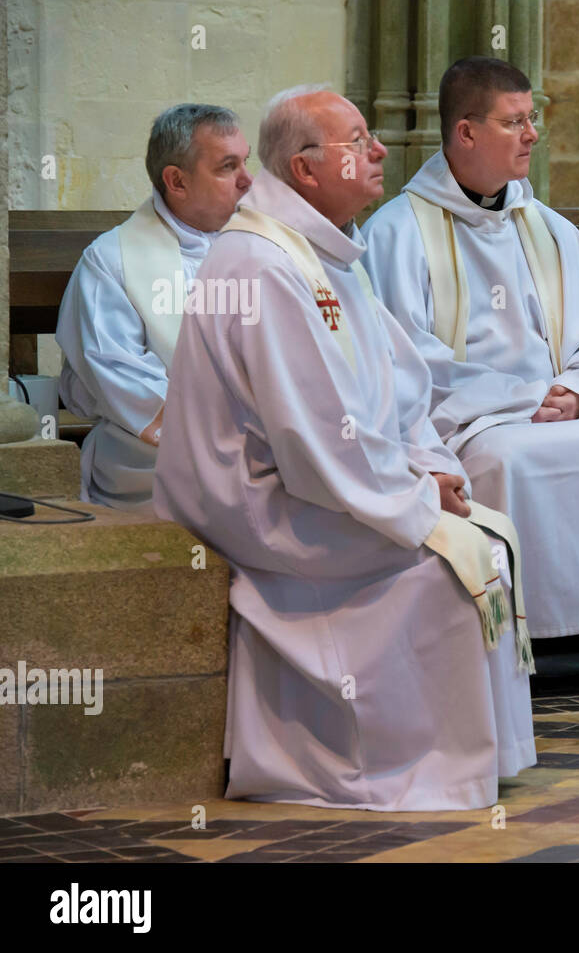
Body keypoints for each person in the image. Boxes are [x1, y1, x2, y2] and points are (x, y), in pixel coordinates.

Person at [153, 85, 535, 810]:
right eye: (358, 141)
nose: (381, 151)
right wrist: (420, 498)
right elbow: (315, 436)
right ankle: (394, 762)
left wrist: (429, 466)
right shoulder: (264, 266)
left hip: (319, 483)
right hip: (263, 507)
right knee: (445, 567)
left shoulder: (325, 254)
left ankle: (478, 754)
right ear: (304, 169)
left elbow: (400, 387)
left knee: (488, 533)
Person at [361, 57, 579, 696]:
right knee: (507, 460)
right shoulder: (397, 234)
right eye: (514, 122)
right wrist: (524, 397)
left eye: (533, 120)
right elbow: (406, 367)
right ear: (465, 133)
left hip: (563, 410)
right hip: (472, 423)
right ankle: (516, 646)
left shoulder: (550, 231)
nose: (532, 135)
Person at [56, 104, 251, 510]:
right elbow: (120, 377)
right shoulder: (112, 260)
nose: (248, 181)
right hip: (154, 462)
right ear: (176, 181)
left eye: (246, 162)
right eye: (228, 167)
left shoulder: (262, 246)